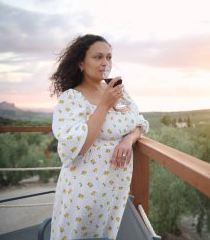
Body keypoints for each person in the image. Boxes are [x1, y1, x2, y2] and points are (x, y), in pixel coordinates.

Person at [49, 34, 149, 240]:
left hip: (116, 185)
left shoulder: (117, 90)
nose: (106, 62)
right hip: (85, 188)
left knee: (105, 234)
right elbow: (77, 147)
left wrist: (128, 140)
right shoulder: (71, 98)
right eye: (98, 57)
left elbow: (139, 122)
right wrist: (103, 105)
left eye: (109, 57)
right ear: (81, 64)